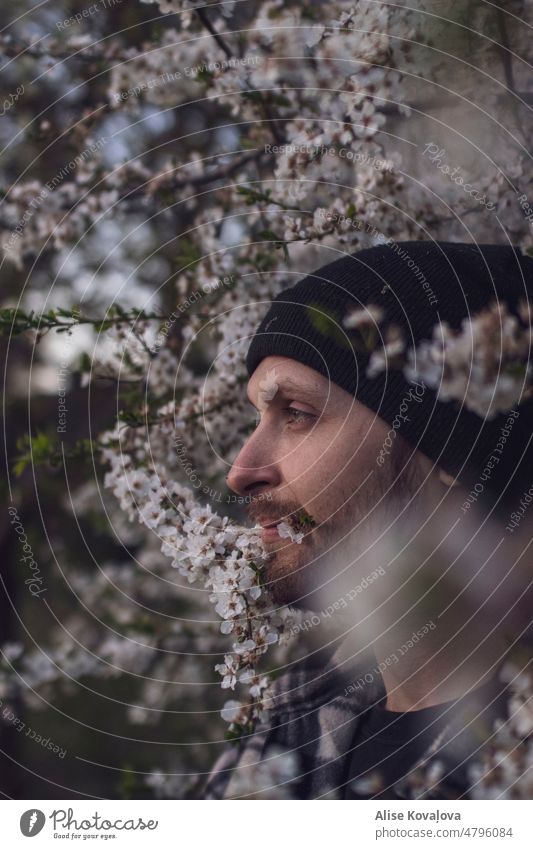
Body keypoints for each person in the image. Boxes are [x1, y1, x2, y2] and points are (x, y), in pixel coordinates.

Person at [201, 241, 533, 800]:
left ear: (454, 452)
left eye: (298, 415)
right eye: (260, 418)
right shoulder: (289, 723)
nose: (242, 471)